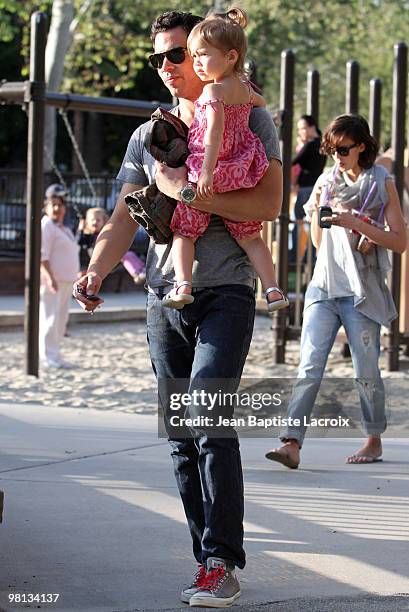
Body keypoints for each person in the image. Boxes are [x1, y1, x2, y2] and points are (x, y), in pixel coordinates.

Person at [73, 9, 282, 608]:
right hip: (165, 298)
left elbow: (268, 201)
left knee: (210, 421)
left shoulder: (251, 117)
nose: (164, 67)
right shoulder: (150, 136)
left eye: (174, 55)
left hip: (227, 293)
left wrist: (183, 189)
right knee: (180, 435)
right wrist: (95, 270)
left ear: (201, 55)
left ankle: (222, 560)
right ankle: (206, 560)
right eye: (157, 58)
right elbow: (120, 218)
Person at [265, 114, 406, 469]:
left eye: (343, 150)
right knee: (309, 364)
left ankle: (373, 440)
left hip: (363, 290)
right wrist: (319, 213)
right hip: (324, 286)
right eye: (331, 150)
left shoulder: (380, 182)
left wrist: (355, 222)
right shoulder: (326, 180)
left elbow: (400, 242)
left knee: (366, 368)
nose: (337, 157)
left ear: (362, 147)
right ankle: (291, 442)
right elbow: (316, 241)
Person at [163, 8, 287, 313]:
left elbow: (213, 134)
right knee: (250, 236)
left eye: (203, 55)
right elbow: (261, 102)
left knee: (185, 230)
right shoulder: (243, 89)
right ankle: (272, 290)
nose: (198, 64)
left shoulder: (212, 91)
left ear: (231, 56)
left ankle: (182, 284)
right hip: (240, 169)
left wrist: (205, 173)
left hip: (212, 169)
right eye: (194, 55)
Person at [39, 184, 79, 368]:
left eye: (60, 205)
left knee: (61, 321)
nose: (57, 209)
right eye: (53, 205)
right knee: (50, 319)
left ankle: (55, 354)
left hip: (66, 281)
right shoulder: (46, 224)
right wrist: (49, 277)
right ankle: (47, 356)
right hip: (53, 281)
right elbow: (42, 255)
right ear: (46, 207)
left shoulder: (63, 228)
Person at [289, 115, 326, 261]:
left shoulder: (311, 145)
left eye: (303, 128)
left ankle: (293, 255)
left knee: (296, 221)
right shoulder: (322, 144)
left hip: (305, 189)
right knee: (310, 222)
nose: (301, 132)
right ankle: (308, 255)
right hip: (314, 188)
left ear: (312, 127)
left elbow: (294, 161)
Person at [77, 207, 146, 283]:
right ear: (87, 222)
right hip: (100, 261)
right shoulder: (88, 237)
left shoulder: (107, 233)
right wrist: (81, 229)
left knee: (129, 254)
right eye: (92, 220)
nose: (94, 222)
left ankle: (140, 271)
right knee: (126, 255)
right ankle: (137, 272)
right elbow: (80, 242)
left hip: (110, 259)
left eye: (98, 220)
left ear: (104, 222)